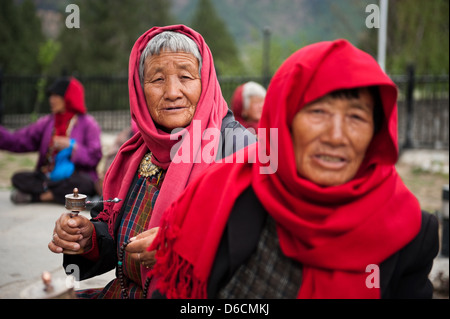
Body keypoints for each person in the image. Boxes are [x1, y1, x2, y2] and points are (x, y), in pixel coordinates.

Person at [149, 39, 440, 299]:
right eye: (318, 112)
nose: (336, 136)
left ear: (376, 133)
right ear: (284, 120)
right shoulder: (225, 192)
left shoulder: (409, 230)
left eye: (356, 117)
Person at [48, 25, 256, 299]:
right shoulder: (136, 151)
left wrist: (182, 248)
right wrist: (90, 239)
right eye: (157, 80)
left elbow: (258, 250)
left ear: (205, 81)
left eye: (185, 76)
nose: (172, 91)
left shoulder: (239, 149)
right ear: (139, 89)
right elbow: (122, 240)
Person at [0, 77, 102, 205]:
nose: (51, 100)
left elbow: (94, 156)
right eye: (51, 96)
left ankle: (39, 197)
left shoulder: (88, 123)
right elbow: (19, 140)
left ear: (69, 97)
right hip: (49, 177)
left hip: (74, 177)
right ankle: (65, 197)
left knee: (85, 183)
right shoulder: (48, 122)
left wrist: (72, 146)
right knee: (18, 178)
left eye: (55, 96)